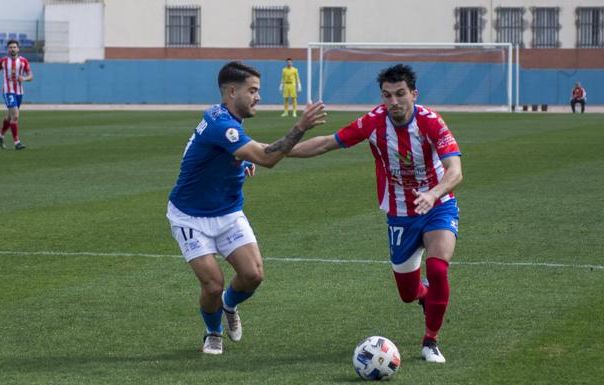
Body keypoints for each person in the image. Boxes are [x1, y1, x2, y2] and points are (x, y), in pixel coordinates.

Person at [289, 64, 463, 364]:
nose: (393, 102)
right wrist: (279, 152)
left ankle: (430, 341)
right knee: (408, 293)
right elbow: (329, 143)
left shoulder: (431, 122)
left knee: (437, 269)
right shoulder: (373, 122)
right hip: (399, 215)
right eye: (387, 95)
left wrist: (433, 194)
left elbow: (455, 170)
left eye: (400, 94)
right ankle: (424, 298)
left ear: (413, 93)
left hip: (438, 205)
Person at [167, 61, 326, 355]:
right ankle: (212, 332)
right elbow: (268, 157)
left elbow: (241, 151)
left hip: (227, 212)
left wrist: (244, 158)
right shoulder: (221, 125)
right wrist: (300, 126)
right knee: (212, 284)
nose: (258, 97)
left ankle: (230, 304)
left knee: (253, 275)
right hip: (190, 216)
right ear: (231, 92)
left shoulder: (225, 118)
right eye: (252, 91)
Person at [0, 39, 33, 150]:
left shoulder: (23, 61)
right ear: (7, 49)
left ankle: (0, 135)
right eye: (11, 47)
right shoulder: (3, 61)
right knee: (15, 116)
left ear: (18, 49)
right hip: (8, 91)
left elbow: (30, 75)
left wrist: (23, 78)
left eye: (14, 47)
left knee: (10, 117)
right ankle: (17, 142)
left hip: (19, 92)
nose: (13, 49)